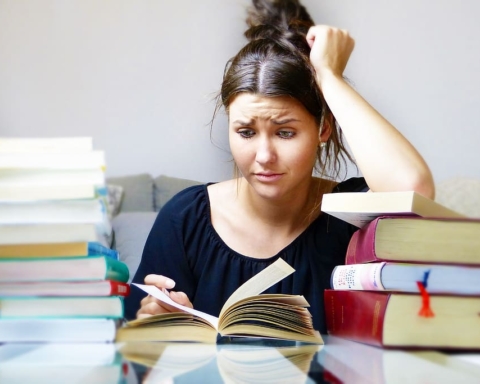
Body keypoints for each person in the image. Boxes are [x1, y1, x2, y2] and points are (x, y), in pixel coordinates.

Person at [124, 0, 434, 333]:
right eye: (246, 132)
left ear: (323, 129)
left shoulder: (350, 217)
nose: (264, 155)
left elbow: (414, 191)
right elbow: (141, 352)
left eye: (285, 132)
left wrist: (330, 76)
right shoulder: (185, 219)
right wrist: (154, 322)